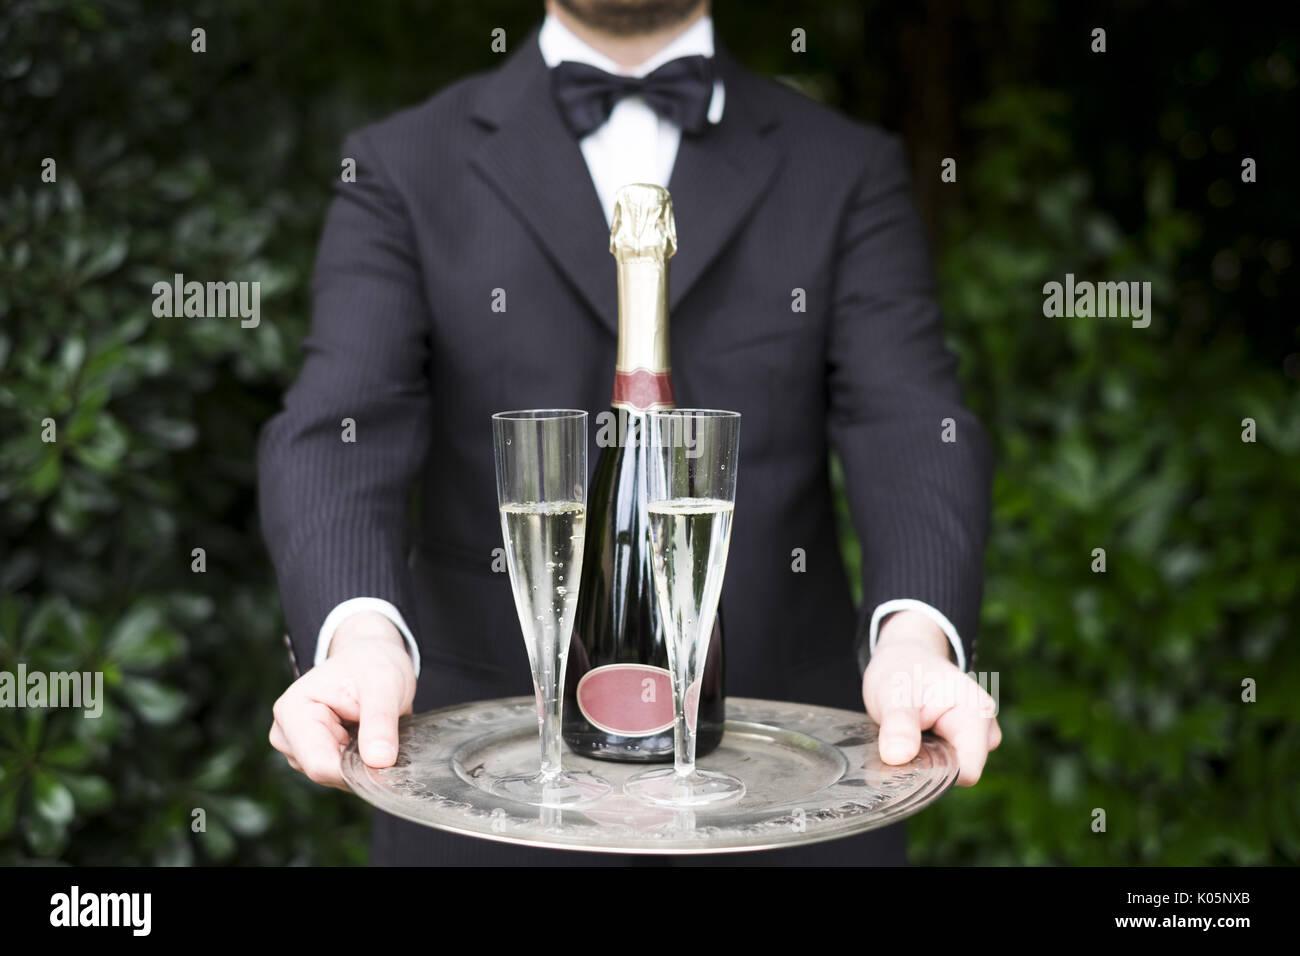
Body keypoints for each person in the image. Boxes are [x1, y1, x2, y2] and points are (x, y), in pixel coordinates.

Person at [259, 0, 1000, 865]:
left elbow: (910, 420)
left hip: (786, 802)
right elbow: (339, 427)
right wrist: (359, 637)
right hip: (479, 803)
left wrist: (916, 639)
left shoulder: (843, 166)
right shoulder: (402, 164)